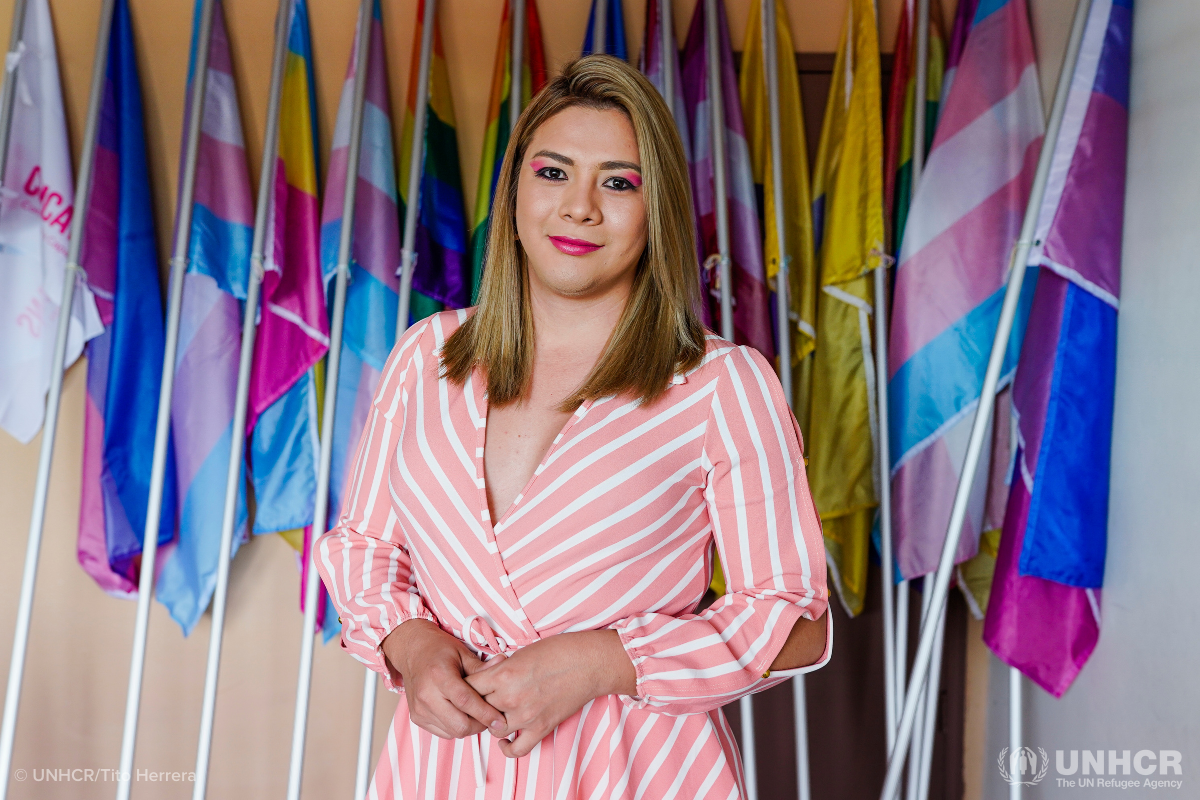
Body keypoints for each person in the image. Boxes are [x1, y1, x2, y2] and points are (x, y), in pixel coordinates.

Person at [316, 54, 831, 799]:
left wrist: (601, 662)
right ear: (516, 187)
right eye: (553, 172)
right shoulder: (424, 356)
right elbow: (364, 547)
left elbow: (797, 621)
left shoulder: (725, 384)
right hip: (441, 772)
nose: (579, 207)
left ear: (659, 210)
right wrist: (413, 641)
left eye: (619, 182)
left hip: (637, 772)